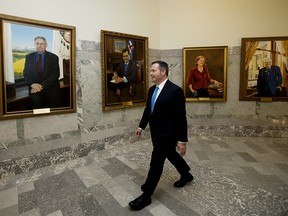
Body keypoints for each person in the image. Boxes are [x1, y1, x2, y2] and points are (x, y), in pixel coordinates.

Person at [129, 61, 193, 211]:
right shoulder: (152, 90)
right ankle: (186, 174)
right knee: (171, 154)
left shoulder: (175, 91)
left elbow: (181, 118)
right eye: (150, 71)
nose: (150, 73)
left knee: (156, 162)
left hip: (168, 134)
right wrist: (141, 126)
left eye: (153, 71)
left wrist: (182, 140)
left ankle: (146, 194)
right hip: (156, 133)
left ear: (163, 72)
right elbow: (148, 110)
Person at [24, 36, 61, 109]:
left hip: (50, 87)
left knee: (54, 110)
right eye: (37, 43)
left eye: (42, 43)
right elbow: (26, 73)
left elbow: (56, 74)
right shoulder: (28, 57)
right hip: (35, 88)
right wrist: (32, 84)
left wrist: (41, 86)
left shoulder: (53, 57)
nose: (39, 45)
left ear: (46, 45)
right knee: (36, 106)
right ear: (35, 45)